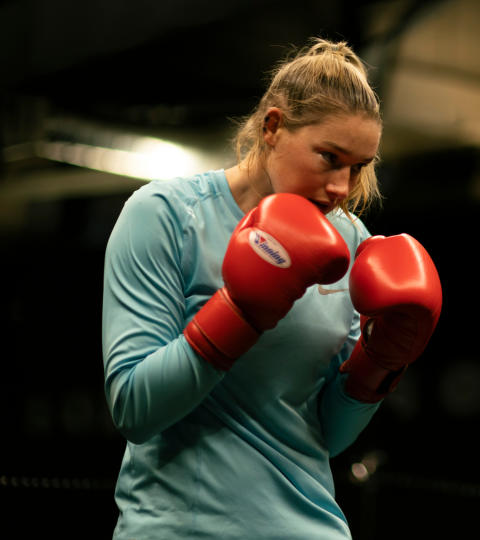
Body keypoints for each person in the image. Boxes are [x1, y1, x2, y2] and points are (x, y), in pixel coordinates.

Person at [101, 38, 442, 539]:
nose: (342, 187)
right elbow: (133, 408)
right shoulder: (168, 216)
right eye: (329, 157)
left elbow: (326, 436)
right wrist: (239, 310)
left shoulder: (352, 245)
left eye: (359, 166)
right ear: (273, 127)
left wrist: (378, 363)